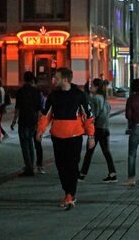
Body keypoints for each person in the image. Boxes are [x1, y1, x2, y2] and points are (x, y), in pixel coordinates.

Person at [36, 67, 95, 210]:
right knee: (61, 167)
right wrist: (40, 130)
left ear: (66, 79)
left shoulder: (79, 95)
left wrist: (91, 136)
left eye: (56, 77)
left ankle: (70, 194)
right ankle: (68, 192)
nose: (54, 80)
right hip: (57, 136)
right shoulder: (53, 96)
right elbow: (46, 115)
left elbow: (88, 116)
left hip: (75, 136)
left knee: (72, 165)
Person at [78, 78, 116, 183]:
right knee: (106, 152)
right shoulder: (105, 99)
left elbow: (92, 115)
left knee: (89, 152)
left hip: (97, 129)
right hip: (105, 128)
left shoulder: (95, 99)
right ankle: (112, 174)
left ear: (96, 87)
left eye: (92, 86)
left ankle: (82, 175)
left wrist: (88, 129)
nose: (90, 87)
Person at [11, 72, 42, 176]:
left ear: (24, 79)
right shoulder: (36, 91)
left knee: (24, 144)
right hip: (33, 119)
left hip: (23, 119)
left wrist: (14, 121)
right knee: (30, 143)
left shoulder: (20, 91)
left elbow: (17, 108)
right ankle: (31, 165)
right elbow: (39, 109)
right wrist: (38, 122)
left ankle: (28, 167)